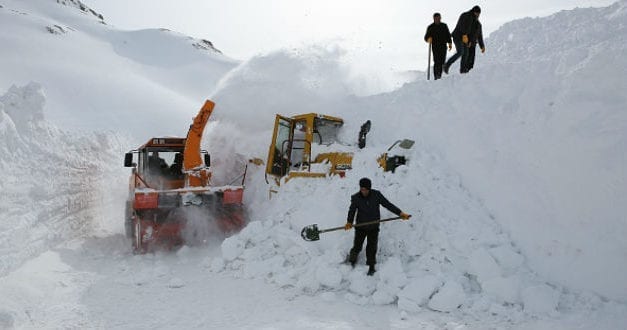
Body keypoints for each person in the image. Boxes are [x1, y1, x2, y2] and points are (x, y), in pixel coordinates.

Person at [345, 178, 411, 276]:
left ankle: (371, 266)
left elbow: (388, 205)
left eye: (366, 189)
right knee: (357, 246)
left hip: (373, 227)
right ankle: (352, 261)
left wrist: (400, 213)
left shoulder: (376, 195)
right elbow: (352, 210)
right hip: (361, 227)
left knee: (372, 247)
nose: (364, 191)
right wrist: (349, 222)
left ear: (369, 188)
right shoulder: (356, 198)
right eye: (362, 189)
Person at [444, 5, 481, 74]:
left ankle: (463, 70)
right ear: (474, 12)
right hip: (457, 36)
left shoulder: (474, 19)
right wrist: (464, 34)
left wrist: (470, 41)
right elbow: (461, 25)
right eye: (477, 13)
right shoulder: (466, 15)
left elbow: (471, 32)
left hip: (464, 38)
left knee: (466, 53)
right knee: (460, 52)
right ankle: (447, 65)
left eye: (479, 14)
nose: (478, 15)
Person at [424, 12, 452, 80]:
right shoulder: (430, 27)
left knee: (442, 61)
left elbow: (448, 35)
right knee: (437, 62)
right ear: (434, 19)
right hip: (435, 47)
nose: (438, 20)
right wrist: (428, 39)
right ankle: (436, 77)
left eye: (439, 18)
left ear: (440, 18)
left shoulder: (444, 26)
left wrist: (450, 43)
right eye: (436, 18)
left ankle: (439, 76)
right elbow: (425, 37)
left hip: (443, 46)